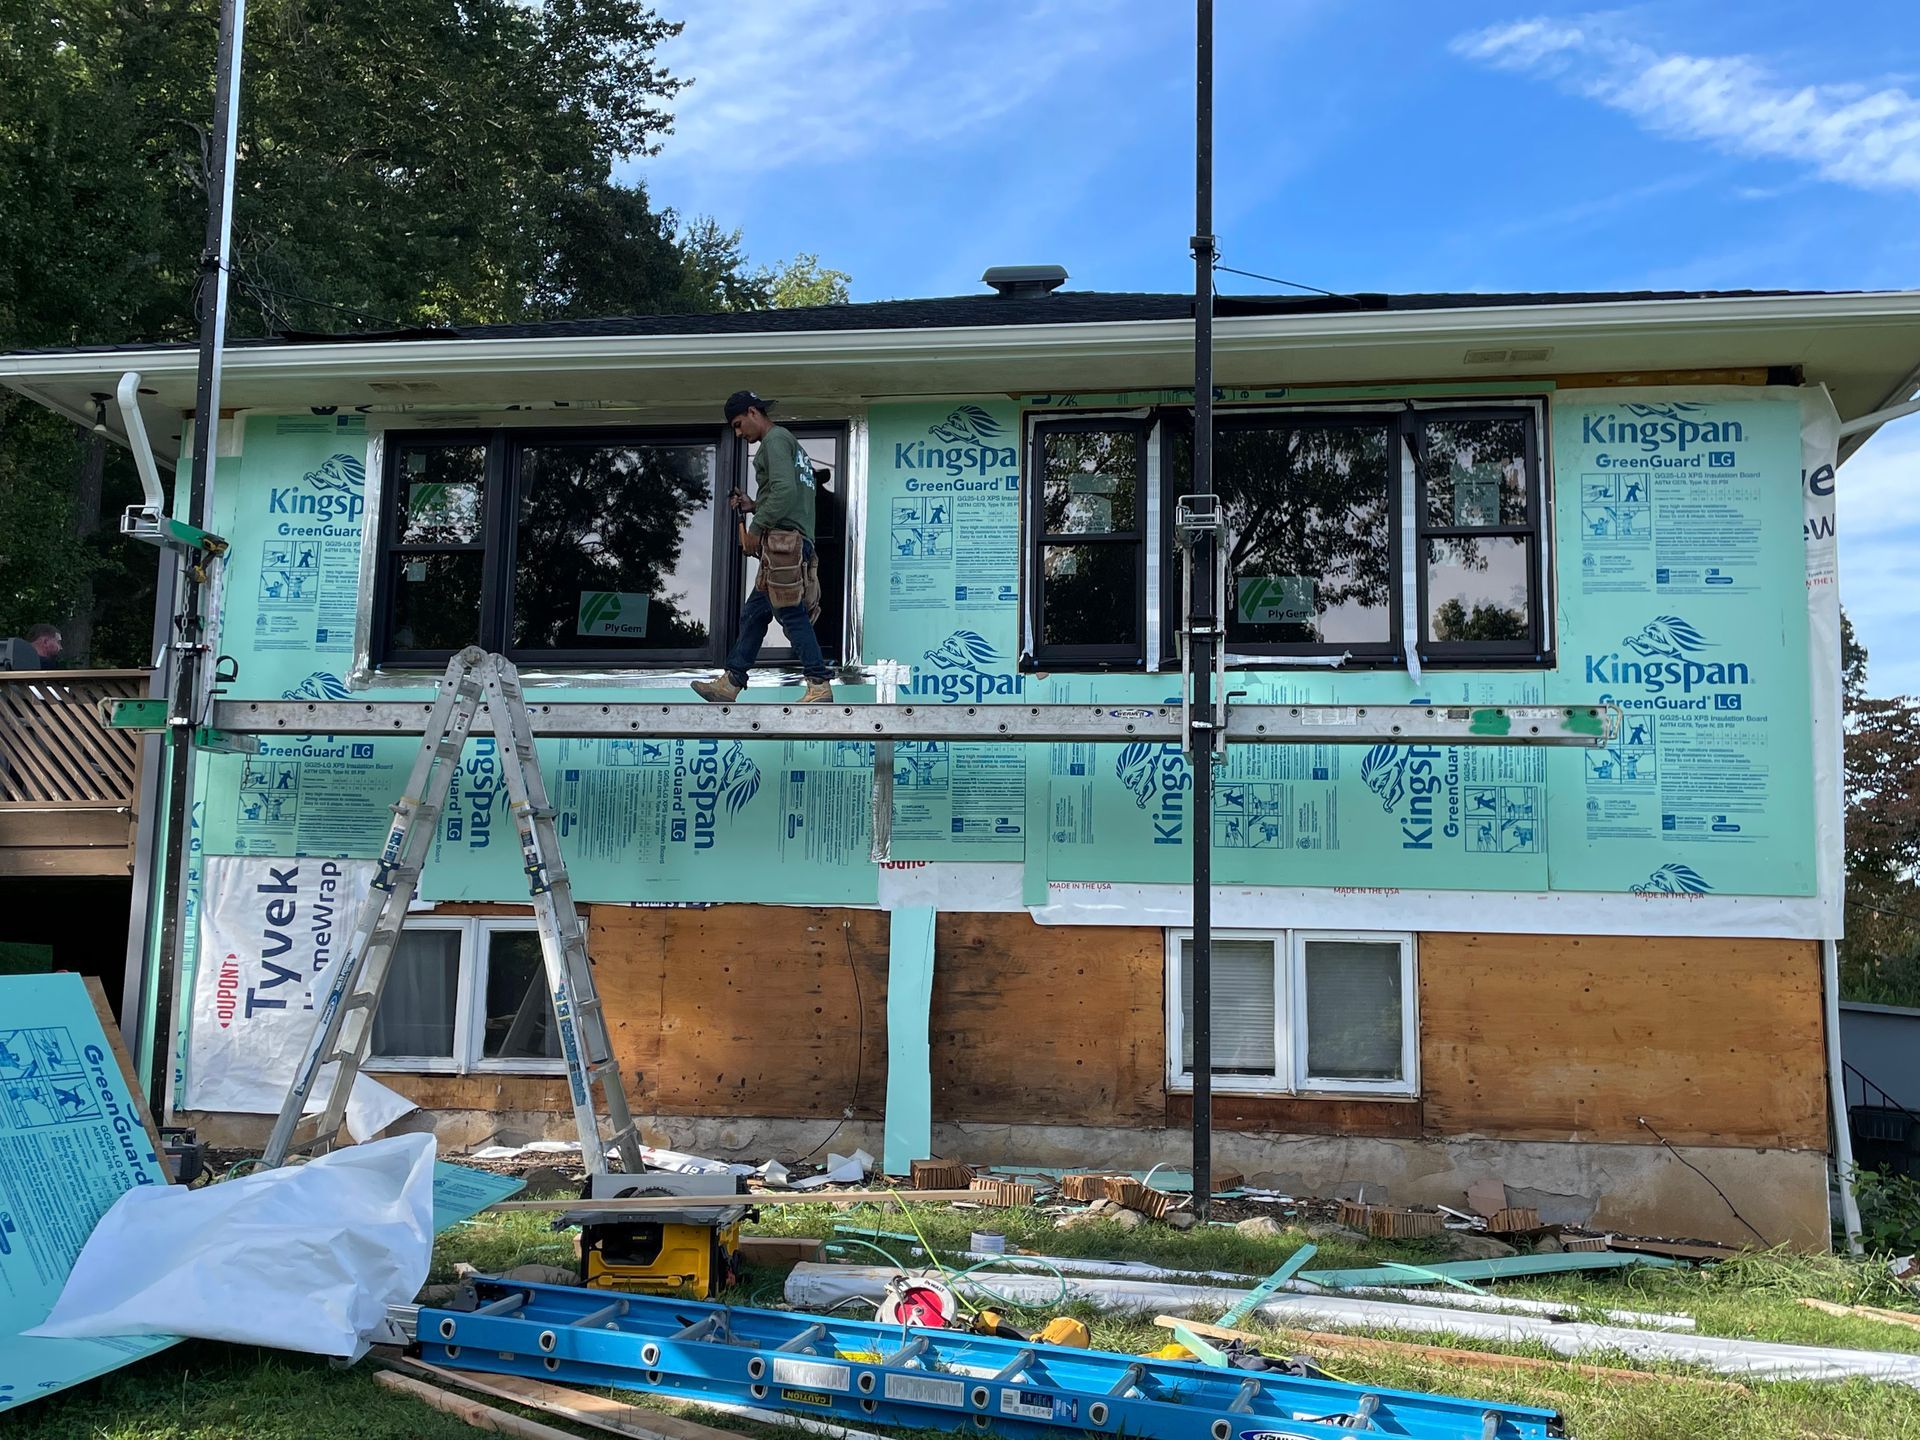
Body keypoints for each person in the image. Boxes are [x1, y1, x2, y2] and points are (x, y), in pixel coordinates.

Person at [692, 392, 832, 704]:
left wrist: (755, 529)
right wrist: (754, 505)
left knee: (791, 615)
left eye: (739, 425)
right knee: (754, 614)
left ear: (753, 412)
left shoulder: (775, 441)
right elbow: (787, 494)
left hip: (785, 546)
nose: (739, 434)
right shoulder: (787, 443)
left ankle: (819, 684)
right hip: (789, 545)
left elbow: (783, 490)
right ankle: (732, 682)